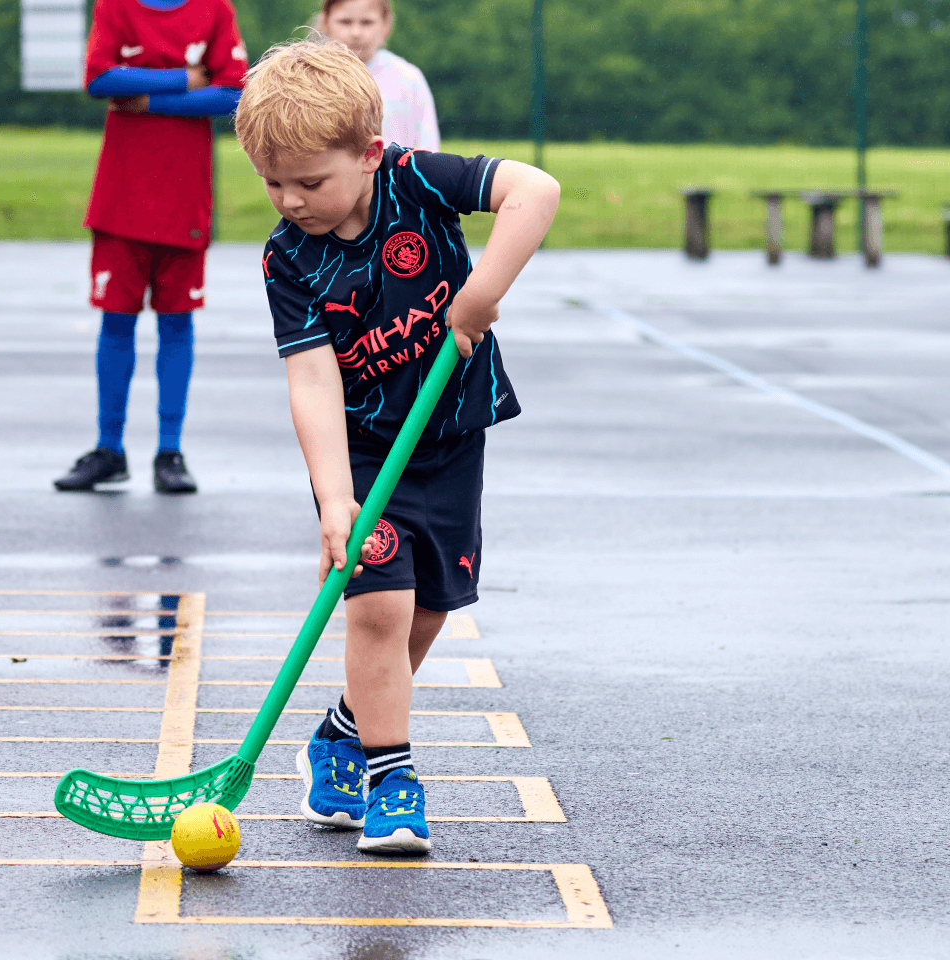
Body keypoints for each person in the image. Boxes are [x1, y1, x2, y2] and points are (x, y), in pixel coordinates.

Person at [235, 39, 558, 854]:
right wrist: (334, 498)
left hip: (449, 437)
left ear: (370, 154)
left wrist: (482, 292)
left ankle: (344, 727)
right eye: (273, 182)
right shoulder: (288, 259)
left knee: (432, 608)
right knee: (377, 610)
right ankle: (392, 780)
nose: (291, 199)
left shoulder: (416, 178)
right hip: (364, 453)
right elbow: (311, 380)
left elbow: (536, 190)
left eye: (310, 181)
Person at [53, 0, 248, 494]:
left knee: (176, 323)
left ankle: (169, 450)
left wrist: (147, 98)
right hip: (120, 201)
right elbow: (98, 79)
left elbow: (233, 93)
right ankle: (109, 448)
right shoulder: (115, 6)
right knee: (115, 322)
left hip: (184, 201)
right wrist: (183, 80)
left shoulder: (214, 9)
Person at [319, 0, 439, 152]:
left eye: (367, 22)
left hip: (395, 175)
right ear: (325, 22)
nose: (356, 32)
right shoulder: (311, 76)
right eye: (345, 22)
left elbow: (428, 146)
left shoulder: (408, 78)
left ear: (387, 24)